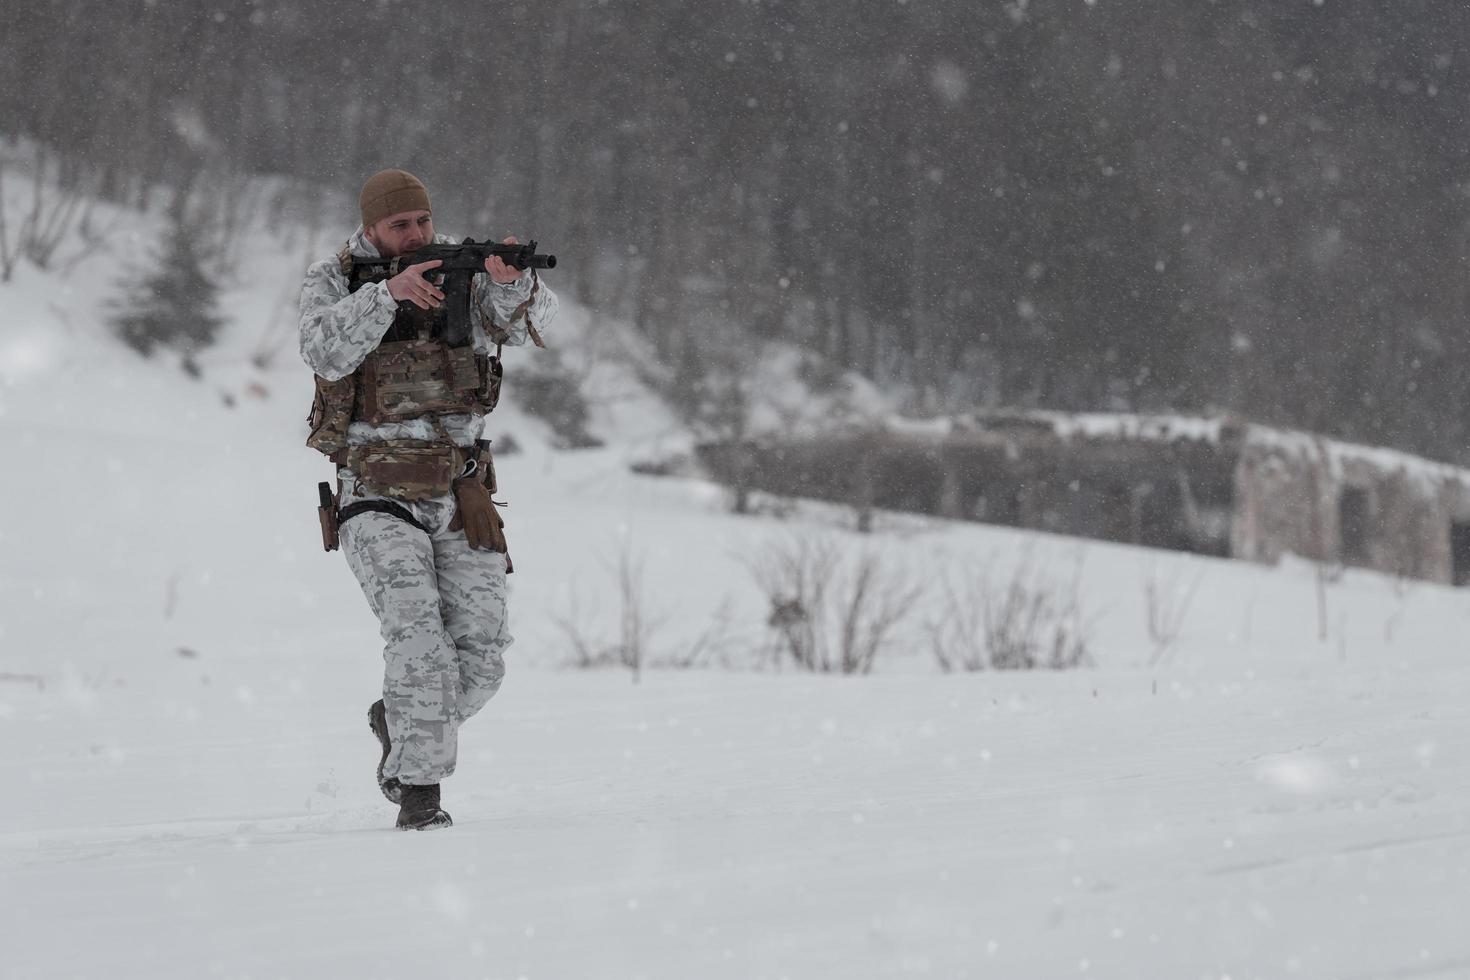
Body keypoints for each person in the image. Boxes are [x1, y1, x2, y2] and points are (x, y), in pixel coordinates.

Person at [298, 169, 558, 830]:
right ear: (373, 228)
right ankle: (419, 799)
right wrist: (387, 294)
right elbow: (322, 351)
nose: (416, 233)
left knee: (483, 660)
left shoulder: (457, 268)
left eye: (422, 221)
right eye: (401, 226)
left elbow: (534, 328)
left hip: (461, 490)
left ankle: (400, 721)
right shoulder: (336, 278)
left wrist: (509, 284)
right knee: (418, 639)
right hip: (376, 491)